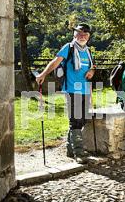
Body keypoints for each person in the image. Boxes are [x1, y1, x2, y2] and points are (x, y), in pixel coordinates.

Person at [36, 23, 95, 162]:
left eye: (85, 34)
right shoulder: (68, 48)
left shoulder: (88, 51)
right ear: (74, 34)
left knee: (83, 120)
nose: (82, 36)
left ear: (89, 36)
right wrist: (43, 74)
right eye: (79, 33)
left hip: (85, 90)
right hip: (72, 89)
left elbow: (92, 67)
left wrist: (92, 72)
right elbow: (55, 62)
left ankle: (70, 148)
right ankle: (79, 153)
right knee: (75, 121)